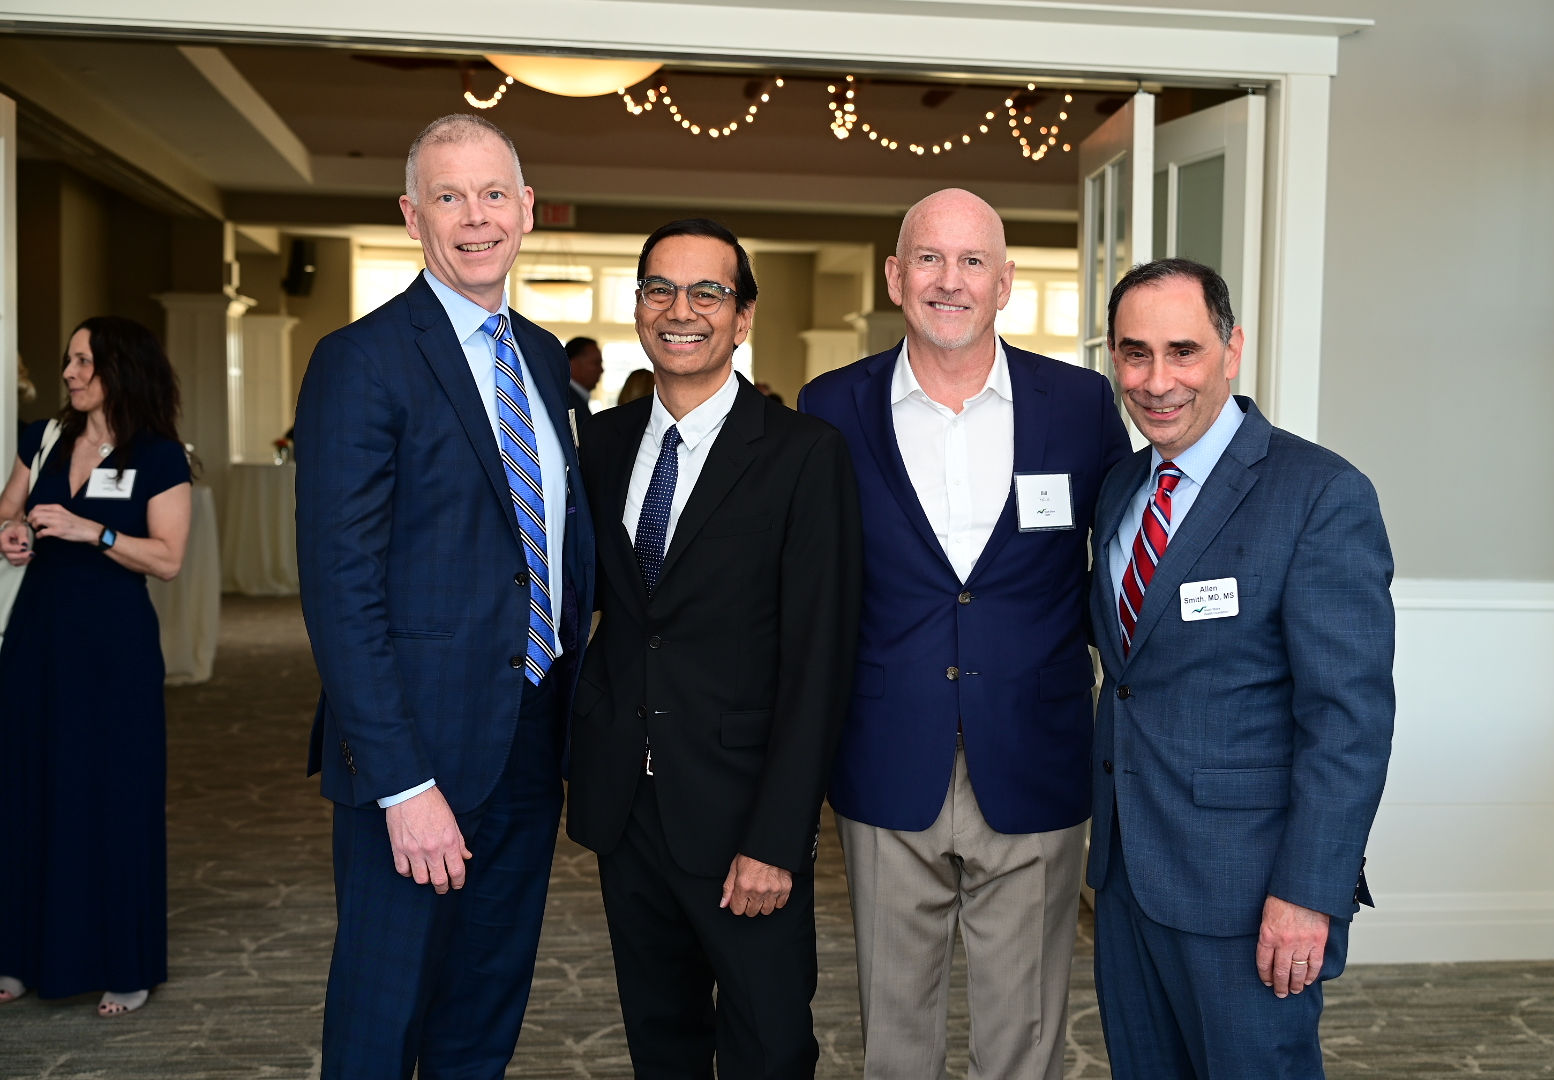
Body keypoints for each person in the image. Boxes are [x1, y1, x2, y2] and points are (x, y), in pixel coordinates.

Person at [798, 188, 1130, 1080]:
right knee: (894, 1035)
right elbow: (808, 582)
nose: (952, 281)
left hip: (1034, 748)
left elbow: (1129, 553)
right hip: (884, 747)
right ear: (897, 276)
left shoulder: (1080, 403)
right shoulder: (829, 406)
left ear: (1006, 282)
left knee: (1024, 1037)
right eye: (931, 260)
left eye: (973, 261)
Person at [294, 113, 594, 1079]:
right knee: (383, 1020)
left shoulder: (546, 362)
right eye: (450, 197)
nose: (477, 218)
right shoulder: (363, 359)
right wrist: (402, 784)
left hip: (528, 736)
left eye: (495, 194)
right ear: (411, 216)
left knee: (484, 1009)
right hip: (413, 760)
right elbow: (341, 588)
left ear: (529, 210)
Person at [566, 217, 861, 1079]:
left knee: (769, 1044)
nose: (681, 309)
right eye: (660, 289)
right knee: (660, 1040)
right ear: (638, 309)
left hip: (743, 814)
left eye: (709, 292)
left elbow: (820, 661)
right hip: (628, 806)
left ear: (743, 317)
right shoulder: (603, 445)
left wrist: (779, 836)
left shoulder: (805, 454)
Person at [1087, 257, 1394, 1079]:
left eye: (1183, 351)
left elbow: (1348, 723)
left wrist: (1310, 891)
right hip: (1127, 876)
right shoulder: (1120, 487)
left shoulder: (1320, 494)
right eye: (1134, 353)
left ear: (1232, 349)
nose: (1157, 381)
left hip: (1250, 891)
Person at [0, 316, 192, 1017]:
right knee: (30, 785)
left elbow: (168, 560)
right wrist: (13, 533)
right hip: (38, 637)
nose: (71, 373)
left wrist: (97, 531)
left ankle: (125, 961)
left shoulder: (160, 457)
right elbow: (6, 512)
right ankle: (20, 954)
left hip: (114, 646)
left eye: (85, 361)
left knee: (114, 791)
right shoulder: (43, 438)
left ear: (121, 367)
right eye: (69, 361)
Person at [566, 335, 603, 418]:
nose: (601, 370)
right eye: (596, 363)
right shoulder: (567, 401)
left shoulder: (574, 398)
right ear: (573, 364)